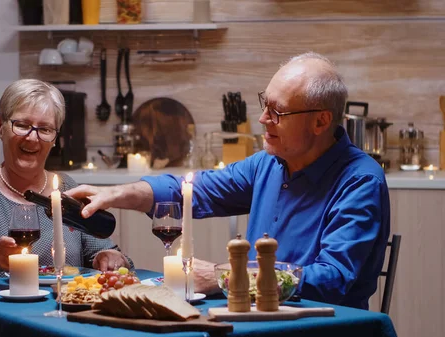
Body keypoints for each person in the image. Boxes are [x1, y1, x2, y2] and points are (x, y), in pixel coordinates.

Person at [66, 52, 390, 310]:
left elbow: (331, 281)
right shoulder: (268, 164)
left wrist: (229, 276)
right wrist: (116, 193)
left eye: (278, 112)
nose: (263, 119)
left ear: (321, 121)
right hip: (257, 322)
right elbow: (190, 190)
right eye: (265, 103)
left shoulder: (359, 182)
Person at [0, 79, 132, 281]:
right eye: (22, 125)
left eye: (45, 129)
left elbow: (106, 253)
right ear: (0, 126)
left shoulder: (67, 188)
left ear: (54, 139)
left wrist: (110, 258)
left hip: (61, 310)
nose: (33, 138)